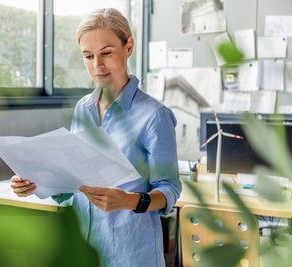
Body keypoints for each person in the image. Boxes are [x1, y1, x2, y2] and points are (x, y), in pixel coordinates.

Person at [11, 8, 181, 267]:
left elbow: (169, 188)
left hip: (131, 255)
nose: (97, 66)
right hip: (85, 250)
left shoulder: (154, 116)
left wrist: (130, 200)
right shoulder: (83, 108)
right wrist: (36, 181)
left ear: (129, 47)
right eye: (88, 56)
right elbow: (73, 182)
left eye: (106, 53)